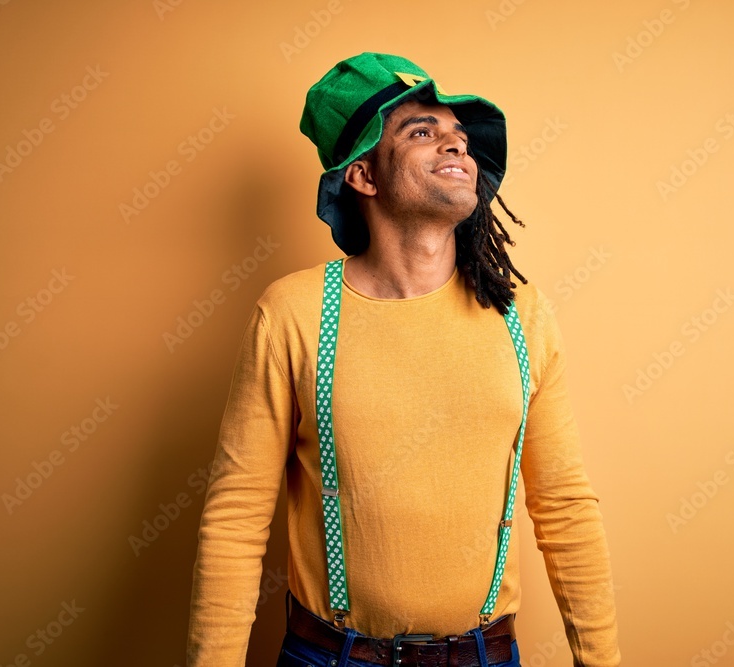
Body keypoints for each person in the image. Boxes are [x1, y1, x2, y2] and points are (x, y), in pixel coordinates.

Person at [186, 52, 621, 667]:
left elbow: (565, 504)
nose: (457, 147)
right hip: (330, 657)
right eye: (423, 132)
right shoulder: (293, 313)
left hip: (485, 657)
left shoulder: (521, 315)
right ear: (362, 175)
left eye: (461, 137)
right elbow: (235, 517)